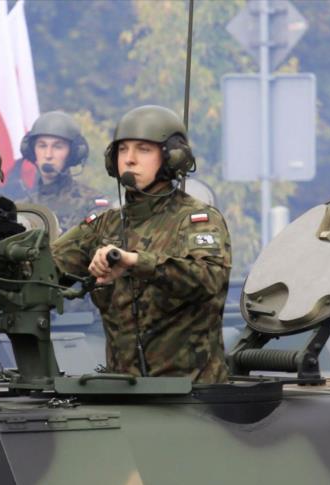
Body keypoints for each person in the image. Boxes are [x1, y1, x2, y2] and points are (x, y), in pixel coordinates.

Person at [51, 105, 231, 383]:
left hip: (193, 397)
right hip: (124, 393)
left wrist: (133, 261)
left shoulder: (197, 220)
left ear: (172, 158)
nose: (130, 160)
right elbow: (43, 268)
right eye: (123, 150)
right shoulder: (103, 225)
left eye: (143, 149)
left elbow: (209, 278)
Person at [17, 111, 106, 231]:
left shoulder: (92, 203)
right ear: (33, 152)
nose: (48, 155)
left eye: (58, 147)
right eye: (42, 146)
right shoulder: (23, 208)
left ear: (72, 154)